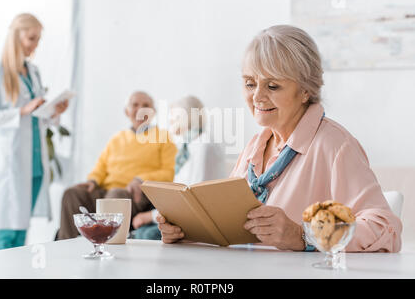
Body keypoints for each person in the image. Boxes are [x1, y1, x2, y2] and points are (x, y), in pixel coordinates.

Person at [157, 25, 402, 252]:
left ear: (306, 90)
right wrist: (186, 232)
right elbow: (228, 229)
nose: (257, 97)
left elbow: (385, 229)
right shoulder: (255, 146)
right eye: (250, 84)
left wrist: (303, 235)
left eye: (272, 86)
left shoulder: (335, 145)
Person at [0, 13, 69, 251]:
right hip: (10, 163)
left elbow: (36, 118)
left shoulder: (33, 72)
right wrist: (21, 111)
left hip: (34, 164)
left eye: (38, 40)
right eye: (31, 38)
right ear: (16, 37)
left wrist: (53, 111)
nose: (35, 45)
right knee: (5, 230)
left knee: (21, 232)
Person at [56, 91, 177, 240]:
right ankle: (66, 245)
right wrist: (93, 181)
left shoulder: (163, 137)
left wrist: (140, 179)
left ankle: (105, 247)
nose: (140, 109)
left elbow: (169, 172)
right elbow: (101, 167)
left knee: (115, 196)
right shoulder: (116, 139)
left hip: (135, 195)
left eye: (146, 106)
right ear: (127, 111)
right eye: (135, 105)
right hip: (106, 191)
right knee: (72, 194)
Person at [131, 95, 227, 240]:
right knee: (141, 231)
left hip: (201, 221)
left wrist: (149, 216)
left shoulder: (203, 146)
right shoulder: (187, 147)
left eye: (174, 117)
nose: (170, 121)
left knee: (145, 234)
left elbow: (193, 199)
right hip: (187, 216)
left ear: (188, 118)